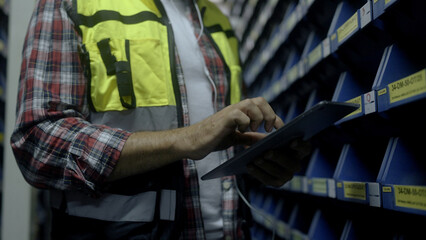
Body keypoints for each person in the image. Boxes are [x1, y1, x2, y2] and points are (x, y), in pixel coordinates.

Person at [11, 0, 309, 239]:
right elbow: (39, 141)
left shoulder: (217, 20)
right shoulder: (74, 5)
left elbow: (221, 143)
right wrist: (186, 139)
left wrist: (260, 161)